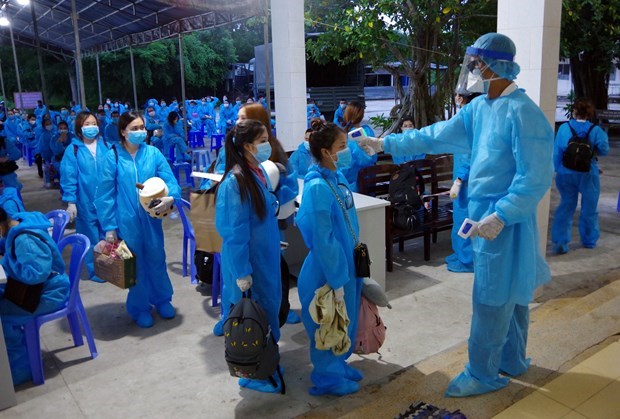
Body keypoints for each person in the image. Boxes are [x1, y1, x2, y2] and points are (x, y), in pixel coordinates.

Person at [356, 33, 554, 397]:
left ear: (496, 66)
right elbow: (435, 135)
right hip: (482, 219)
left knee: (492, 297)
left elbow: (535, 176)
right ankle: (511, 358)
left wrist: (502, 215)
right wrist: (386, 143)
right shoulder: (480, 109)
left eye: (479, 64)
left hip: (502, 223)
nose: (474, 70)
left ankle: (482, 372)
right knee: (508, 292)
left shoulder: (525, 114)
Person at [296, 119, 363, 396]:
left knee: (345, 321)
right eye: (342, 146)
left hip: (347, 265)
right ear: (326, 152)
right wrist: (337, 279)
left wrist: (358, 268)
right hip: (328, 272)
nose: (347, 151)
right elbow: (322, 241)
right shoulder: (317, 188)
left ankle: (340, 363)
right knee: (327, 325)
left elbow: (350, 225)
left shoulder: (337, 178)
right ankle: (327, 377)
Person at [95, 111, 181, 328]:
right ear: (123, 132)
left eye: (142, 127)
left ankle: (162, 299)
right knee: (136, 266)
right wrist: (110, 227)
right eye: (134, 128)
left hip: (151, 219)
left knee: (156, 258)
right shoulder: (113, 156)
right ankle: (140, 307)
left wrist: (171, 196)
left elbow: (170, 180)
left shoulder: (153, 153)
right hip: (126, 222)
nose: (140, 132)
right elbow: (105, 194)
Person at [215, 119, 283, 393]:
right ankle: (251, 372)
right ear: (247, 146)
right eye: (263, 140)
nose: (268, 144)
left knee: (268, 312)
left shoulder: (258, 173)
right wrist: (242, 272)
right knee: (253, 321)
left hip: (265, 260)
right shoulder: (235, 183)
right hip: (249, 266)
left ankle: (268, 360)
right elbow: (234, 234)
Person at [0, 209, 70, 386]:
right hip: (45, 286)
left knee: (3, 317)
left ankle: (22, 369)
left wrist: (8, 265)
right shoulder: (17, 223)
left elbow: (37, 274)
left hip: (49, 292)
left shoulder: (25, 240)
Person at [551, 97, 609, 254]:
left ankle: (561, 242)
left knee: (566, 206)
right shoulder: (596, 131)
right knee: (589, 208)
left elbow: (557, 152)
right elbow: (604, 150)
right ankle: (589, 241)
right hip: (588, 173)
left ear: (574, 111)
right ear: (590, 114)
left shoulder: (564, 128)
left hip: (566, 173)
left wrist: (558, 169)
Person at [60, 111, 110, 283]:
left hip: (106, 199)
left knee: (108, 234)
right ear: (79, 128)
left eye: (94, 123)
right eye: (86, 124)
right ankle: (94, 270)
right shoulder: (73, 149)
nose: (91, 127)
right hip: (85, 200)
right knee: (90, 236)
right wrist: (71, 201)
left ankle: (109, 267)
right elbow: (69, 176)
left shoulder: (105, 145)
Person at [444, 93, 480, 273]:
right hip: (467, 178)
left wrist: (459, 179)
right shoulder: (471, 117)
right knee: (459, 217)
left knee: (464, 219)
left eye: (458, 95)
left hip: (466, 181)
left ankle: (466, 260)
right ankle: (460, 253)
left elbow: (469, 153)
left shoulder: (469, 120)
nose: (456, 97)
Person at [341, 101, 378, 192]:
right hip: (370, 181)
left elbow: (346, 165)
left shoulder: (348, 137)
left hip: (352, 186)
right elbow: (373, 156)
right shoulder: (368, 131)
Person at [36, 118, 56, 189]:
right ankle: (48, 182)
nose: (49, 125)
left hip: (55, 155)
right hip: (47, 156)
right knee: (47, 168)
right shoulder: (43, 135)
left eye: (50, 124)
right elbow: (42, 148)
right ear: (43, 126)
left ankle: (52, 181)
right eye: (47, 124)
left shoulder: (54, 133)